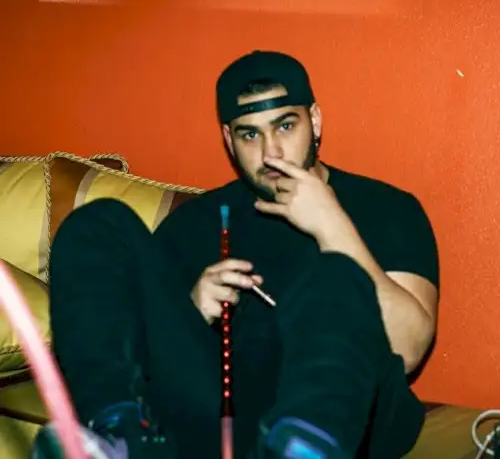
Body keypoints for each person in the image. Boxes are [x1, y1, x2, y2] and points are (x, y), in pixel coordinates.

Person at [34, 50, 439, 459]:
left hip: (347, 410)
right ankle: (119, 437)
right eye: (250, 135)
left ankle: (305, 447)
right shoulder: (197, 222)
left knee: (332, 274)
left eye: (285, 125)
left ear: (315, 121)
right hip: (221, 414)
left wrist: (333, 226)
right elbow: (133, 352)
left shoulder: (386, 208)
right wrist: (192, 309)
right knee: (98, 222)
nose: (271, 152)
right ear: (229, 139)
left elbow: (407, 349)